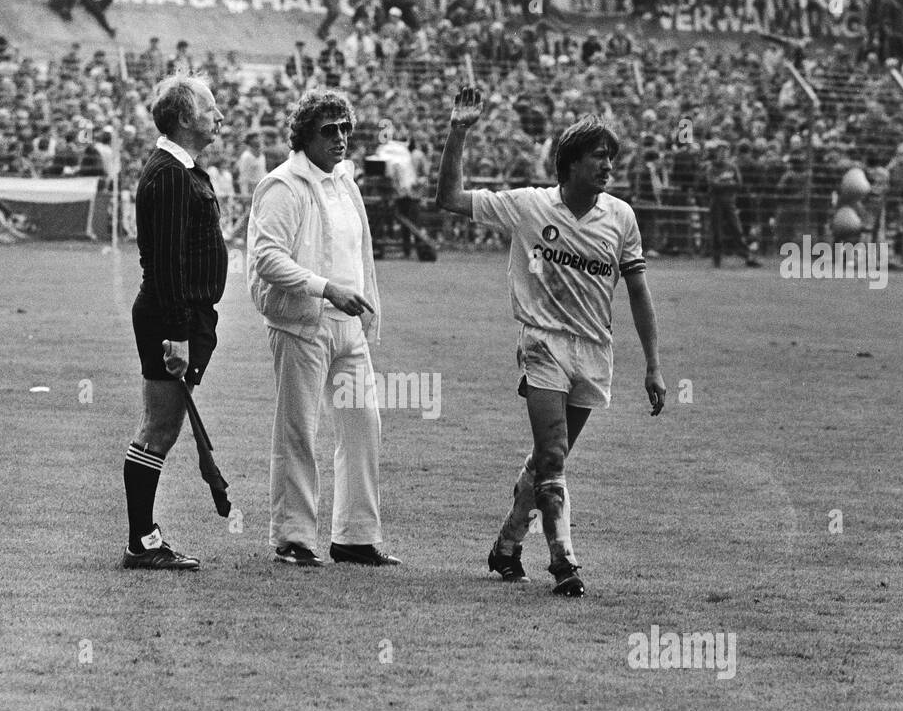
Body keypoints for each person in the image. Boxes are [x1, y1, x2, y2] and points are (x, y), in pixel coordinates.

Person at [435, 86, 666, 597]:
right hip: (542, 342)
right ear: (570, 163)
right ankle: (564, 562)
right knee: (555, 454)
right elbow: (449, 199)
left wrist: (653, 365)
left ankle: (506, 546)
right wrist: (459, 131)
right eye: (598, 156)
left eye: (611, 156)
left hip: (594, 349)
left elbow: (638, 290)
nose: (608, 165)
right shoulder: (528, 207)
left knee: (545, 459)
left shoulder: (621, 217)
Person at [247, 89, 399, 568]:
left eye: (345, 128)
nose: (341, 138)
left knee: (363, 427)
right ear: (304, 136)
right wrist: (325, 287)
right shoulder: (282, 185)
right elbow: (268, 258)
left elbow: (360, 252)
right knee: (298, 430)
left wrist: (362, 303)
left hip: (349, 326)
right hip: (301, 323)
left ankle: (355, 536)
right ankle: (293, 537)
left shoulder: (343, 182)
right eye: (329, 130)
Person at [121, 75, 228, 571]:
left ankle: (142, 539)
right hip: (172, 320)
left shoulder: (178, 170)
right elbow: (167, 266)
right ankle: (141, 541)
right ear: (185, 118)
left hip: (180, 318)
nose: (219, 115)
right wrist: (179, 334)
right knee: (160, 428)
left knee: (161, 427)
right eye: (209, 108)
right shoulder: (169, 175)